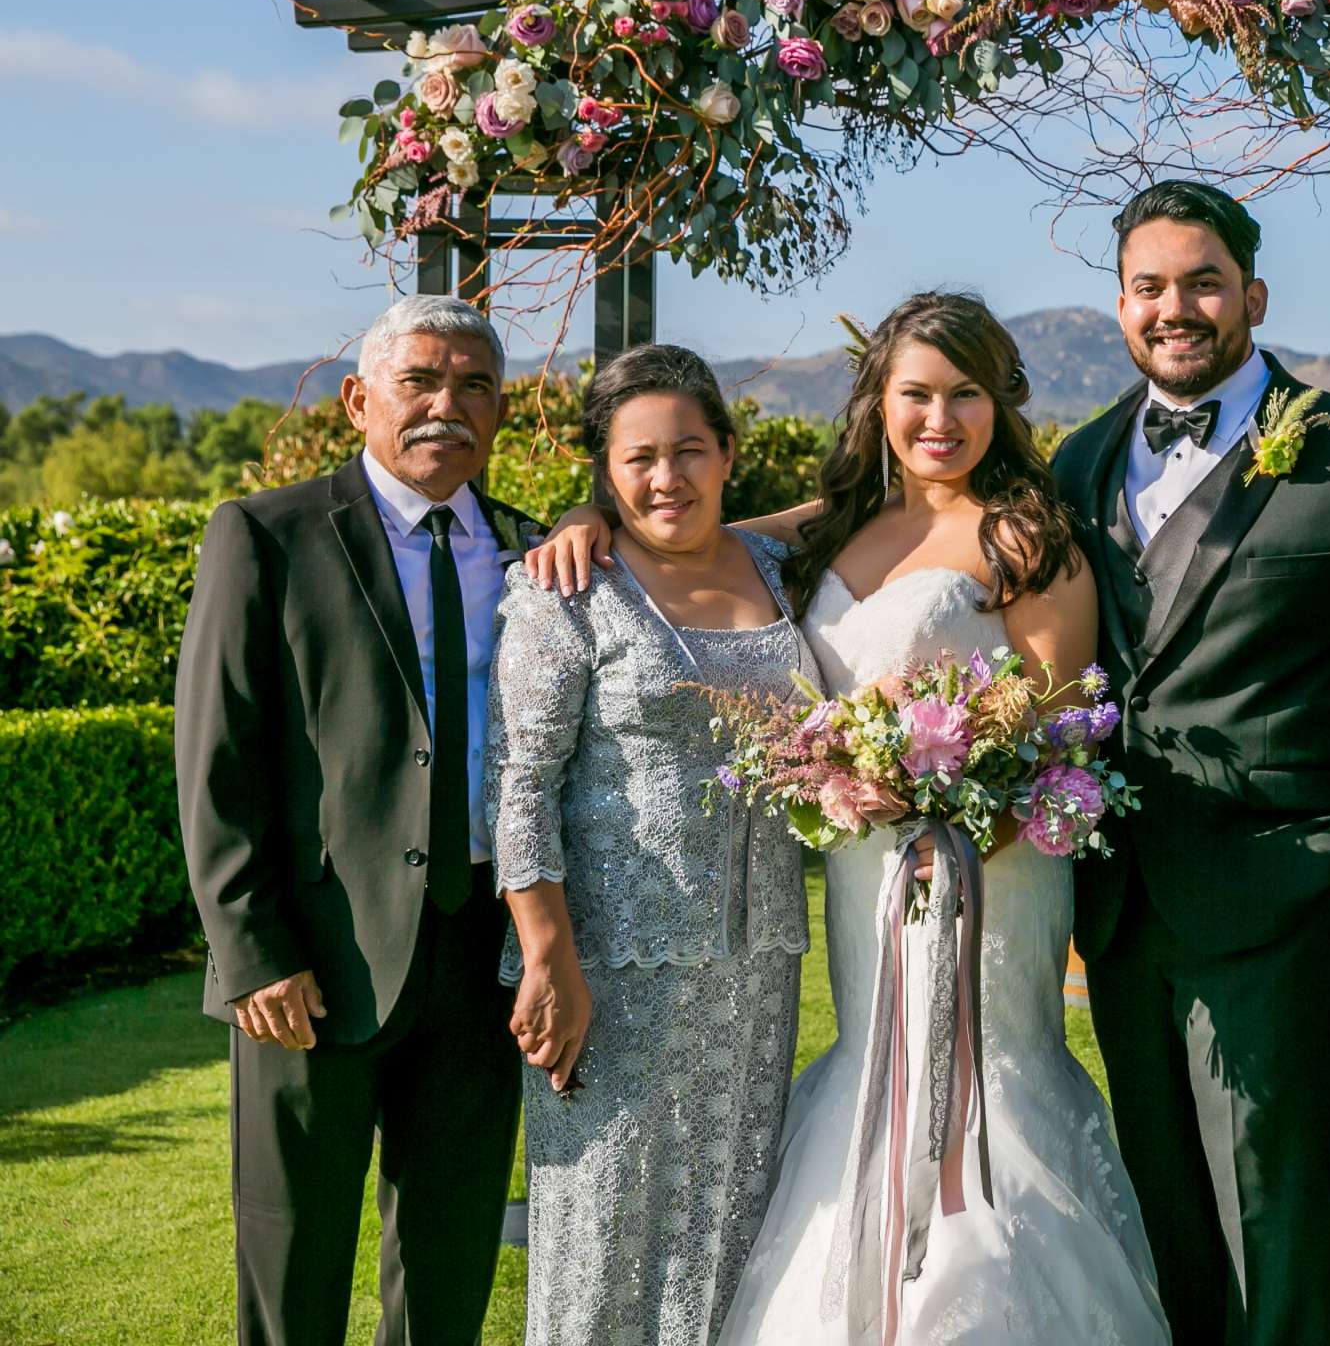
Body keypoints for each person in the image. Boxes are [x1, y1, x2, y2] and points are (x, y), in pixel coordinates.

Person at [525, 294, 1168, 1345]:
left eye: (966, 393)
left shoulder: (1028, 537)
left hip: (981, 881)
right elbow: (686, 528)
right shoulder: (829, 528)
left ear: (999, 403)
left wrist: (947, 819)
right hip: (863, 879)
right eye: (916, 392)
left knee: (975, 1087)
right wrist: (592, 516)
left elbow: (1061, 733)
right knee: (870, 1080)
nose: (941, 418)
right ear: (881, 401)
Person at [1047, 180, 1330, 1343]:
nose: (1174, 307)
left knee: (1273, 1220)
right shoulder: (1076, 466)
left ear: (1252, 293)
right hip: (1122, 905)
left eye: (1201, 281)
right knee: (1164, 1209)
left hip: (1286, 897)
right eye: (1149, 286)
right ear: (1121, 304)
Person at [175, 295, 541, 1346]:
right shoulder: (268, 535)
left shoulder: (531, 549)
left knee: (449, 1260)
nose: (447, 405)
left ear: (501, 410)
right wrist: (250, 952)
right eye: (420, 380)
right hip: (311, 963)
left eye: (474, 384)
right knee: (293, 1264)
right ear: (357, 401)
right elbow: (217, 757)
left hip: (484, 962)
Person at [484, 344, 819, 1344]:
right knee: (603, 1237)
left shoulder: (778, 566)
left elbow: (880, 488)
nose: (664, 476)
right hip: (605, 971)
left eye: (688, 451)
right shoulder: (565, 590)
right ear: (605, 467)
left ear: (727, 453)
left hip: (756, 969)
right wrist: (548, 956)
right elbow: (519, 783)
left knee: (729, 1228)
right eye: (637, 459)